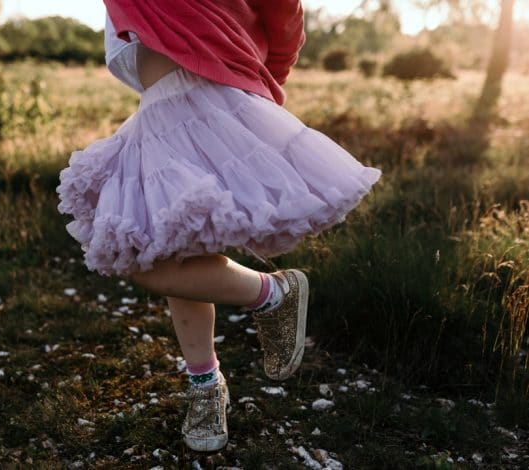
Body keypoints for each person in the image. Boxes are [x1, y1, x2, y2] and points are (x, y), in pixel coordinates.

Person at [56, 0, 381, 452]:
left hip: (206, 97)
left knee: (142, 257)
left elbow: (284, 13)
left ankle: (271, 294)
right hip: (161, 108)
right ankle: (205, 384)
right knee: (171, 246)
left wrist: (262, 81)